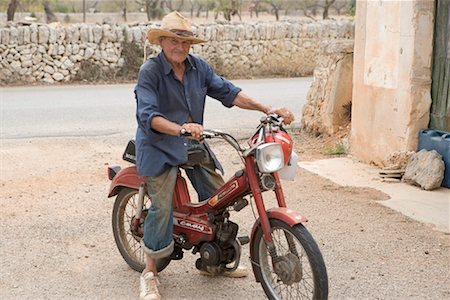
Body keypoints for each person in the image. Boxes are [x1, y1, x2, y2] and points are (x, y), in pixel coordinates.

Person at [134, 11, 294, 300]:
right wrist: (181, 128)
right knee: (161, 205)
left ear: (190, 45)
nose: (179, 47)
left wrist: (266, 109)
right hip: (158, 145)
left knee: (220, 197)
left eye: (185, 42)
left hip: (191, 142)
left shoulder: (198, 68)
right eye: (173, 41)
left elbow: (230, 93)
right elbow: (148, 116)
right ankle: (149, 273)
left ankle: (215, 260)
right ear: (162, 42)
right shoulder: (150, 72)